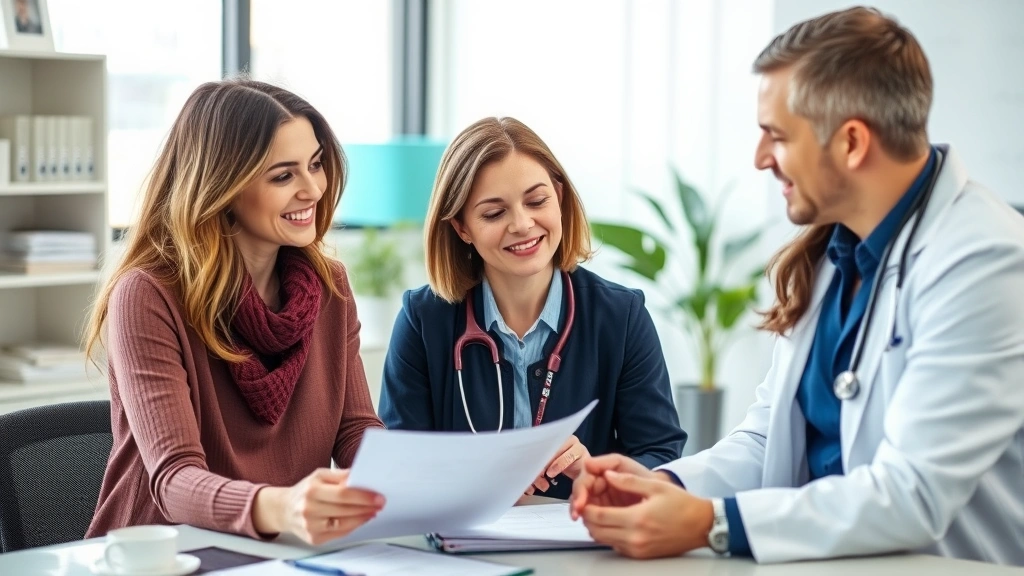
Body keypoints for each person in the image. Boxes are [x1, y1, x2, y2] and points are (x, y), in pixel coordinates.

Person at [571, 6, 1024, 565]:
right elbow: (768, 441)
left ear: (852, 142)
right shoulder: (832, 251)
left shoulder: (984, 260)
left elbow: (913, 493)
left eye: (776, 136)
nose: (761, 159)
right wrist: (664, 484)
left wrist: (710, 524)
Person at [84, 79, 386, 545]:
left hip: (281, 551)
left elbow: (354, 431)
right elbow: (174, 480)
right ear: (222, 187)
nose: (313, 190)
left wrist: (427, 479)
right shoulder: (147, 295)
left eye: (316, 165)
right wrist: (282, 505)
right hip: (166, 554)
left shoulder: (331, 287)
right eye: (283, 176)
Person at [378, 117, 686, 500]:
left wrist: (600, 472)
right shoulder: (423, 320)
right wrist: (477, 479)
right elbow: (399, 465)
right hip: (464, 550)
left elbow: (662, 454)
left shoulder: (621, 316)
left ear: (559, 197)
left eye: (536, 201)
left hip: (584, 544)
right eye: (494, 213)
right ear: (462, 228)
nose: (522, 224)